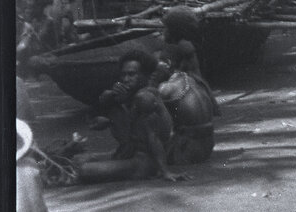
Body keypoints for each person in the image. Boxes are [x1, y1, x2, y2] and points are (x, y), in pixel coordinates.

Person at [77, 50, 179, 183]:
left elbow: (152, 136)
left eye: (132, 74)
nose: (125, 79)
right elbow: (136, 126)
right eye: (123, 74)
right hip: (132, 156)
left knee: (84, 170)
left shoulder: (144, 97)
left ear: (146, 75)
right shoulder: (135, 96)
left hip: (144, 162)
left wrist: (165, 171)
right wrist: (109, 121)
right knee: (80, 160)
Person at [157, 40, 219, 166]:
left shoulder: (167, 87)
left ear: (168, 64)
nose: (155, 68)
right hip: (207, 148)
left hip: (187, 152)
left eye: (158, 63)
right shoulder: (196, 80)